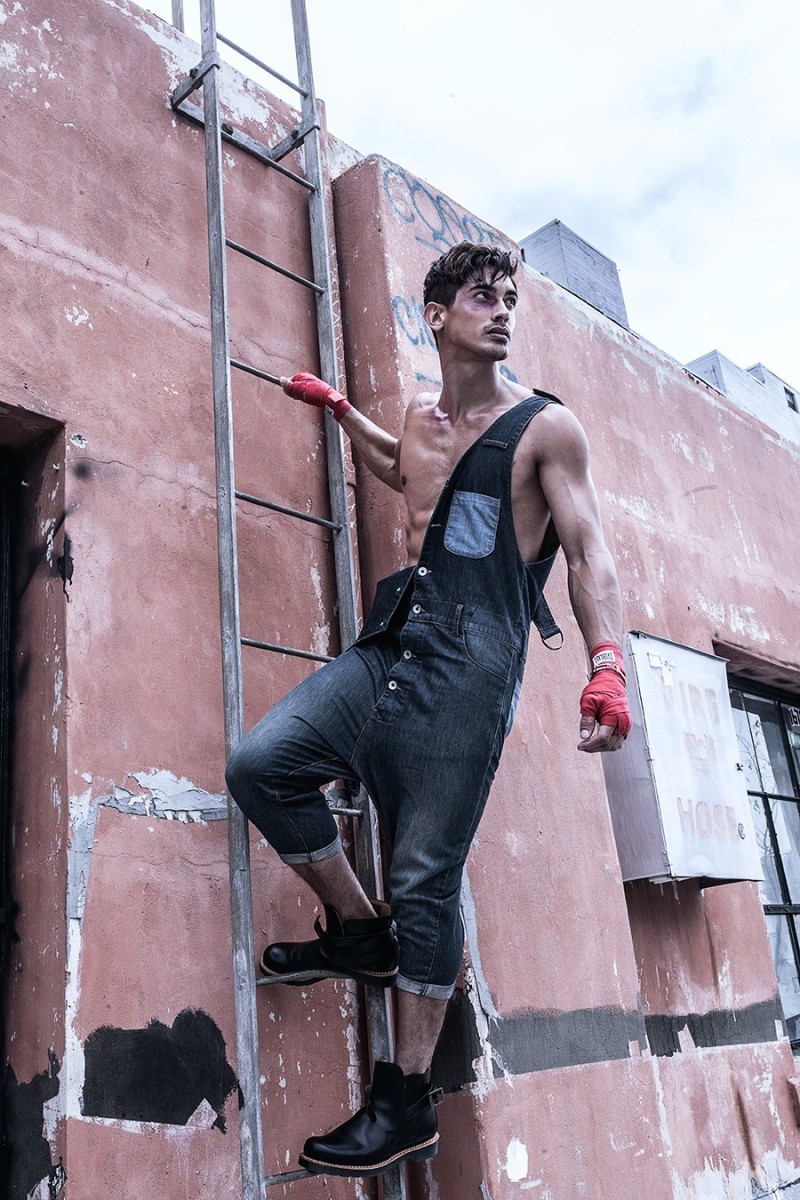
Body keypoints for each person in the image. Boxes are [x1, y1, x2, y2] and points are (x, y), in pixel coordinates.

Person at [225, 241, 632, 1179]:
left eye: (510, 301)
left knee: (428, 883)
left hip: (468, 675)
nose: (502, 312)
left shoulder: (545, 429)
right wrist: (341, 415)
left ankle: (405, 1100)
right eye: (484, 298)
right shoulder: (422, 417)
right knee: (262, 765)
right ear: (439, 316)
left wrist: (605, 664)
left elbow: (589, 552)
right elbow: (403, 470)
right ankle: (358, 931)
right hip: (392, 646)